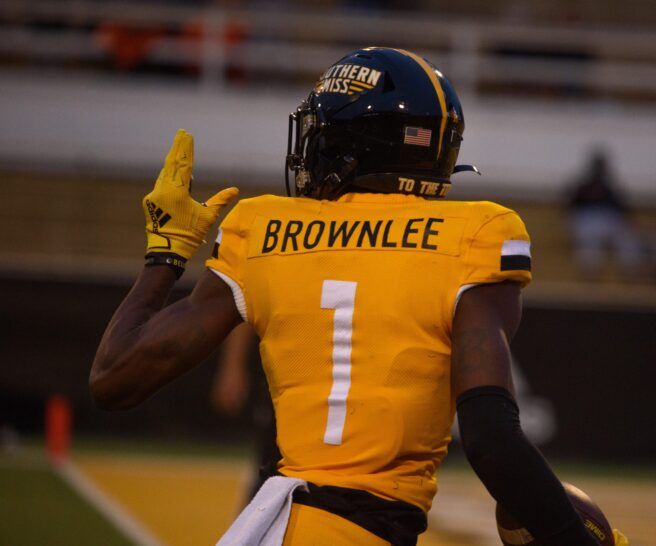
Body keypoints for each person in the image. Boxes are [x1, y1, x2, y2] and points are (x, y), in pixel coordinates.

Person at [90, 48, 620, 545]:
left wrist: (165, 257)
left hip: (280, 525)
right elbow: (490, 441)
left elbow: (114, 379)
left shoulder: (264, 226)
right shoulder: (475, 235)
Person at [212, 323, 281, 500]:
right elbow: (245, 307)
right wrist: (232, 367)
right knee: (272, 464)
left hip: (338, 375)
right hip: (283, 378)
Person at [566, 148, 641, 277]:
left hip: (608, 220)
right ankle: (590, 272)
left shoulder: (610, 187)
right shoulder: (582, 186)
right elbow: (569, 207)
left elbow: (623, 209)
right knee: (589, 240)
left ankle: (630, 272)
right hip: (586, 220)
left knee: (627, 238)